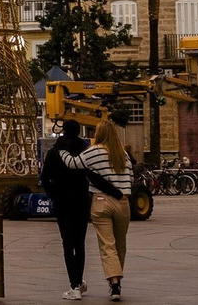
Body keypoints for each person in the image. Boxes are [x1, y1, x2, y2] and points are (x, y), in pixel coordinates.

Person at [62, 120, 132, 302]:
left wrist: (61, 150)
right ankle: (116, 283)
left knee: (107, 245)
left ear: (99, 133)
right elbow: (131, 177)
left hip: (101, 201)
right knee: (120, 245)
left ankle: (114, 282)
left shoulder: (93, 151)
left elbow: (73, 163)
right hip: (122, 201)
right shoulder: (122, 153)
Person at [40, 120, 91, 300]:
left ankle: (74, 285)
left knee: (67, 244)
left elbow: (45, 178)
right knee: (80, 243)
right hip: (82, 202)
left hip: (63, 203)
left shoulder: (55, 152)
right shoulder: (85, 151)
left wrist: (54, 195)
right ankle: (79, 281)